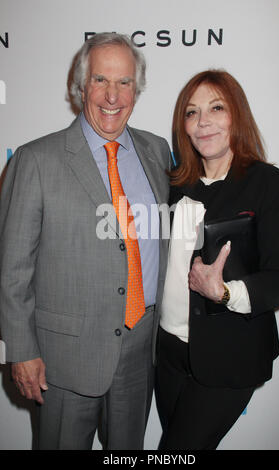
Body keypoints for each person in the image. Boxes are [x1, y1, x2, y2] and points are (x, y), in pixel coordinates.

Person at [0, 32, 171, 450]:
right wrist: (21, 350)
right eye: (100, 80)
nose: (112, 96)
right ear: (80, 87)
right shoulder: (36, 159)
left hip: (140, 352)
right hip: (64, 361)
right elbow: (12, 267)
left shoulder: (158, 151)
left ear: (137, 89)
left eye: (124, 82)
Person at [155, 69, 279, 450]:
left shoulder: (269, 183)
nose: (203, 122)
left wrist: (224, 292)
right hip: (167, 353)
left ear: (237, 114)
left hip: (229, 357)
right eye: (191, 112)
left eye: (216, 108)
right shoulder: (173, 185)